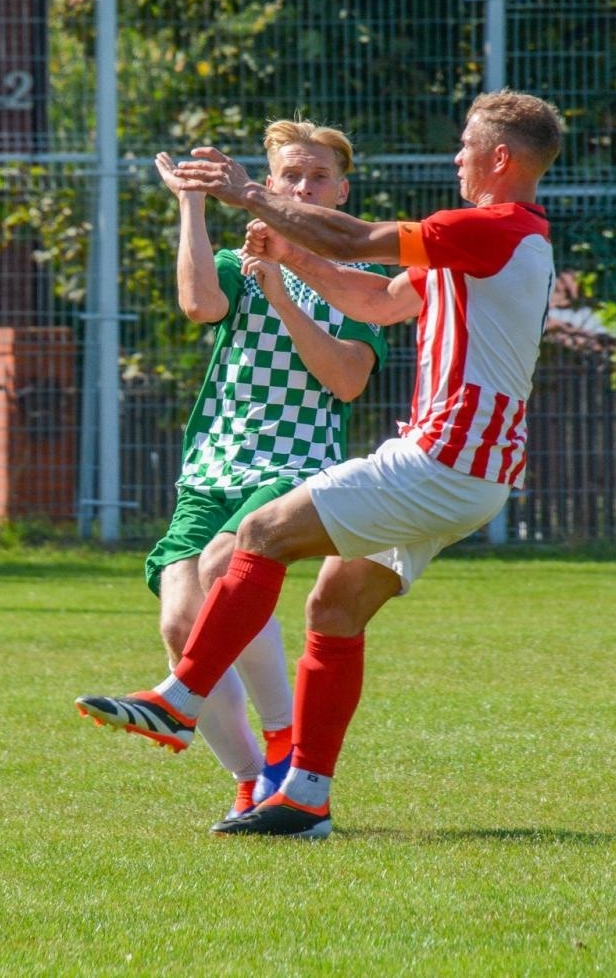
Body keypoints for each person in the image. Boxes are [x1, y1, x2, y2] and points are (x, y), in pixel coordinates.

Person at [76, 90, 565, 839]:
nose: (456, 157)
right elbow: (374, 300)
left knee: (262, 535)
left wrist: (249, 195)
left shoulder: (490, 227)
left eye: (466, 145)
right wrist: (290, 255)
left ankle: (179, 699)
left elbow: (353, 242)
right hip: (475, 473)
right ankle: (303, 796)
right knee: (331, 609)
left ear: (501, 159)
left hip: (441, 459)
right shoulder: (491, 242)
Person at [77, 119, 389, 825]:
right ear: (268, 187)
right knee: (183, 626)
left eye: (317, 178)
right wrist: (190, 202)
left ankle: (283, 739)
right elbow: (198, 306)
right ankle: (255, 777)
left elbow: (346, 382)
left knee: (228, 564)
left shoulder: (357, 279)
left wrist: (281, 293)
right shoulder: (235, 262)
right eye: (290, 177)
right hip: (214, 463)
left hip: (296, 460)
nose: (302, 187)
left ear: (341, 190)